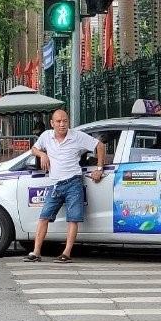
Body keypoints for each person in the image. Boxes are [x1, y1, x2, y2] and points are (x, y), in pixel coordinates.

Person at [24, 109, 105, 263]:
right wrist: (42, 154)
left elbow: (99, 146)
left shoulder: (77, 136)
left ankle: (66, 253)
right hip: (54, 184)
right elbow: (34, 149)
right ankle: (36, 252)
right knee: (43, 217)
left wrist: (99, 169)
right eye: (59, 121)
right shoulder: (46, 136)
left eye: (65, 121)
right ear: (52, 123)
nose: (62, 124)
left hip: (73, 182)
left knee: (72, 219)